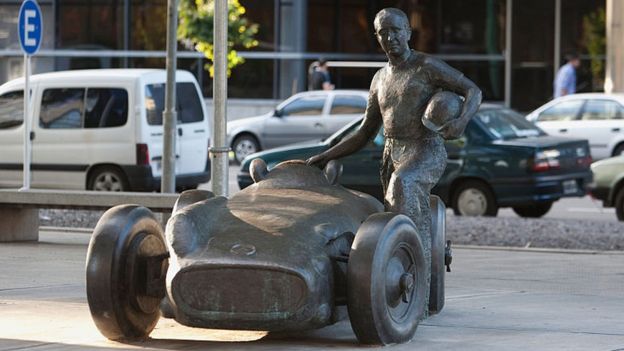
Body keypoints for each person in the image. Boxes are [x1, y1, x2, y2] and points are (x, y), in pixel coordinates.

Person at [306, 7, 481, 313]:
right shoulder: (378, 80)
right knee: (396, 211)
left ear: (408, 33)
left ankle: (419, 293)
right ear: (377, 37)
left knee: (405, 186)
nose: (390, 37)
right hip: (392, 153)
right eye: (383, 32)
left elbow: (473, 90)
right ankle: (397, 280)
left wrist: (461, 121)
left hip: (424, 149)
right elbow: (363, 133)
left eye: (396, 30)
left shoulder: (427, 66)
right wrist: (325, 155)